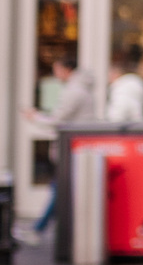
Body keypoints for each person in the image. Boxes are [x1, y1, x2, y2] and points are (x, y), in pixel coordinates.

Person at [18, 56, 95, 243]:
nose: (54, 74)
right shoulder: (80, 89)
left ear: (66, 69)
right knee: (61, 190)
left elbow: (57, 122)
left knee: (60, 190)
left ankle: (39, 230)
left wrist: (35, 117)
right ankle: (44, 230)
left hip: (70, 149)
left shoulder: (74, 91)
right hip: (75, 148)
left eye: (56, 69)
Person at [105, 45, 143, 122]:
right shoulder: (137, 84)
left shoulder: (120, 88)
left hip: (121, 126)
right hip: (136, 124)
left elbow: (117, 113)